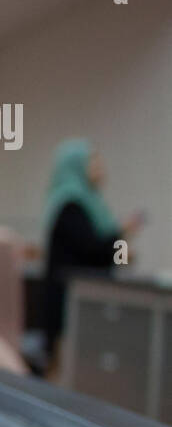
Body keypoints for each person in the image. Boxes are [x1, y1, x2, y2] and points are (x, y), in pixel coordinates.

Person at [41, 138, 143, 362]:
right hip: (69, 306)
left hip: (89, 302)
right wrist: (122, 234)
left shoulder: (92, 204)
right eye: (93, 163)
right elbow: (92, 251)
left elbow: (105, 250)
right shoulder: (71, 204)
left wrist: (121, 244)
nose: (101, 169)